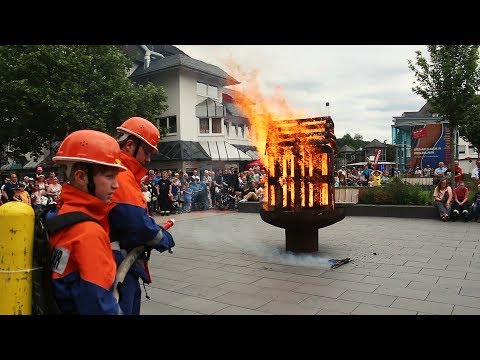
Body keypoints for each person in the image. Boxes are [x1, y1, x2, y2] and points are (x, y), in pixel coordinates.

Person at [48, 129, 127, 315]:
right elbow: (99, 304)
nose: (116, 185)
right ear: (81, 177)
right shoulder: (88, 232)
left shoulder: (57, 215)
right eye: (109, 177)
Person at [108, 116, 173, 315]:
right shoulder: (121, 174)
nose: (148, 159)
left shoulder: (115, 169)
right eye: (147, 151)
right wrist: (164, 239)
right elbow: (136, 223)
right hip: (117, 264)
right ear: (130, 145)